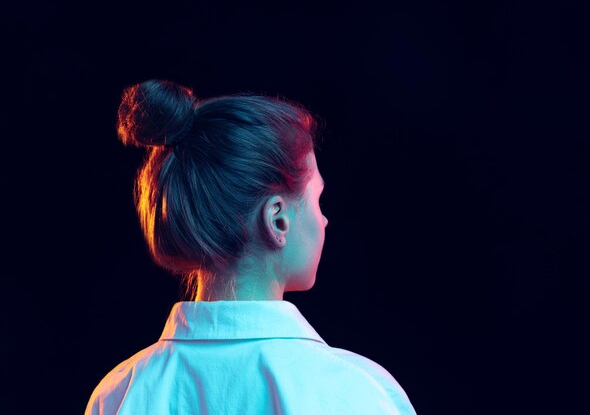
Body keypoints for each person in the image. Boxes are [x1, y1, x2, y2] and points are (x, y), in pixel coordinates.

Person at [85, 79, 417, 414]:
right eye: (317, 199)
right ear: (277, 220)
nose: (324, 220)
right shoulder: (356, 393)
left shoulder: (118, 395)